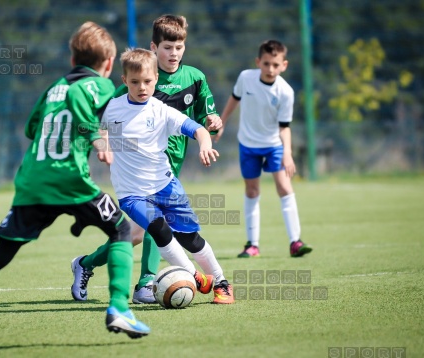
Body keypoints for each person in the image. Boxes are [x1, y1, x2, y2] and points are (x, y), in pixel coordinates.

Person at [0, 22, 150, 354]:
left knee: (1, 253)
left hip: (32, 181)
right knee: (121, 230)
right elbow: (90, 104)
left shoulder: (53, 87)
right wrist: (98, 137)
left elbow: (32, 128)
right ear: (109, 63)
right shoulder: (99, 86)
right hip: (68, 179)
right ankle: (119, 307)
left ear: (72, 58)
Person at [71, 14, 223, 305]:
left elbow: (203, 119)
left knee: (137, 234)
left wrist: (212, 123)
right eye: (167, 47)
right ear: (155, 49)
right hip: (139, 178)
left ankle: (87, 264)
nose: (173, 53)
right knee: (152, 229)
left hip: (165, 171)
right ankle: (145, 283)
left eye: (178, 47)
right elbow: (99, 121)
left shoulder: (194, 77)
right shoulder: (131, 89)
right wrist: (102, 141)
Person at [105, 47, 233, 304]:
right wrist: (100, 145)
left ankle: (220, 281)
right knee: (159, 229)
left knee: (190, 238)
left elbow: (198, 130)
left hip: (165, 186)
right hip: (131, 193)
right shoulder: (112, 108)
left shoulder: (161, 110)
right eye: (134, 82)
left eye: (148, 81)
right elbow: (89, 128)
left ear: (155, 78)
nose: (142, 87)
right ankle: (195, 277)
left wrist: (205, 144)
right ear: (124, 81)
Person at [216, 40, 313, 258]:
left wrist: (287, 153)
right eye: (267, 63)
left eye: (275, 65)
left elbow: (284, 127)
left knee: (284, 187)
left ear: (284, 65)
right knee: (252, 191)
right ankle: (252, 245)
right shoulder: (245, 78)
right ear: (258, 62)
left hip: (273, 146)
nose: (270, 69)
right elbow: (234, 99)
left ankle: (295, 242)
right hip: (248, 145)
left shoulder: (286, 92)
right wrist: (221, 122)